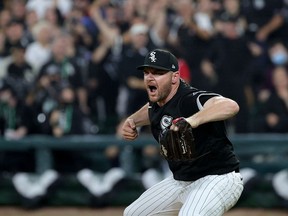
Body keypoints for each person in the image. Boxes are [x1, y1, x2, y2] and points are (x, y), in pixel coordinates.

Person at [120, 49, 244, 216]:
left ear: (175, 77)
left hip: (218, 178)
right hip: (181, 181)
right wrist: (133, 120)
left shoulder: (189, 99)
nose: (150, 77)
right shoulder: (158, 101)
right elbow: (151, 109)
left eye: (158, 73)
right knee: (133, 214)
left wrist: (192, 121)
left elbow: (230, 106)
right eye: (147, 72)